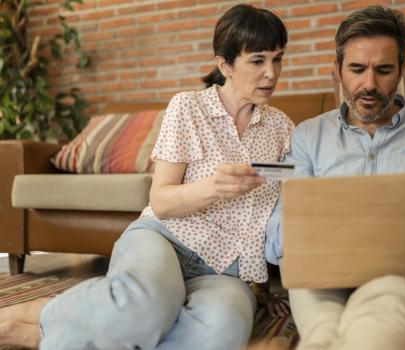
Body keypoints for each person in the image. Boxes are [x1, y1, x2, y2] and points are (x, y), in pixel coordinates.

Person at [0, 4, 293, 349]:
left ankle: (54, 332)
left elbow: (281, 211)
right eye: (258, 61)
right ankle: (49, 311)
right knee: (146, 305)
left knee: (223, 332)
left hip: (225, 271)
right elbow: (161, 200)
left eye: (278, 59)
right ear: (224, 65)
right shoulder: (188, 108)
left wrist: (263, 285)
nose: (272, 73)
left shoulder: (282, 128)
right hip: (165, 239)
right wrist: (213, 188)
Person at [265, 5, 405, 350]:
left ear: (402, 70)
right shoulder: (306, 138)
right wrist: (317, 238)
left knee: (383, 314)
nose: (369, 84)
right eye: (357, 69)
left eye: (383, 70)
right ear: (338, 71)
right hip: (322, 279)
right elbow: (277, 230)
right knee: (322, 335)